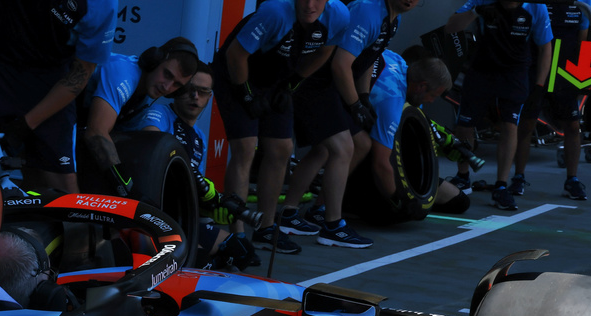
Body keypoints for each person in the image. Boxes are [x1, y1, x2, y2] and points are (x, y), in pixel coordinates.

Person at [212, 0, 352, 257]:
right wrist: (246, 96)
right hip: (237, 74)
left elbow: (325, 51)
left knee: (281, 149)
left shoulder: (338, 14)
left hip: (276, 77)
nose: (310, 5)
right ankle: (237, 235)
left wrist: (294, 83)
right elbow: (235, 55)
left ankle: (266, 227)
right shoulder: (275, 13)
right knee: (245, 148)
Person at [280, 0, 420, 245]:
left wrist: (364, 98)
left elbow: (367, 61)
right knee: (342, 148)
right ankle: (333, 226)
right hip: (316, 82)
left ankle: (303, 210)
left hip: (334, 86)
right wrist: (354, 104)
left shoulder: (394, 18)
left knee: (357, 144)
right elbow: (340, 64)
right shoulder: (368, 11)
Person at [0, 0, 117, 193]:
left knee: (63, 180)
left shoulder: (102, 6)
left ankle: (57, 218)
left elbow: (83, 70)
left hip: (49, 76)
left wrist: (25, 125)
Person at [130, 64, 260, 269]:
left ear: (209, 97)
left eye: (203, 92)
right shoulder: (160, 112)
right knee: (202, 264)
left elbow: (194, 190)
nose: (195, 96)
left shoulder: (200, 137)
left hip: (180, 218)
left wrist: (211, 209)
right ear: (178, 89)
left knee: (243, 252)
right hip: (152, 215)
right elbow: (151, 142)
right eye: (190, 89)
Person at [445, 0, 553, 210]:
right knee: (464, 125)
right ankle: (463, 176)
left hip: (515, 73)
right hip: (481, 70)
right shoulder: (482, 1)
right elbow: (451, 27)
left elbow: (546, 47)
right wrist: (476, 12)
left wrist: (539, 85)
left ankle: (501, 186)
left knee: (509, 125)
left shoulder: (535, 7)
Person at [350, 50, 470, 217]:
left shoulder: (398, 61)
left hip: (367, 122)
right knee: (393, 215)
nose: (432, 101)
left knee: (459, 201)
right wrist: (399, 201)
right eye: (433, 95)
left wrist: (444, 141)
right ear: (421, 86)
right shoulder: (391, 104)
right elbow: (380, 163)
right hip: (360, 145)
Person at [80, 38, 199, 196]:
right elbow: (96, 133)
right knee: (68, 190)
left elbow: (127, 145)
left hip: (69, 122)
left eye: (176, 85)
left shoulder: (144, 98)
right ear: (154, 60)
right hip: (47, 104)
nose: (167, 87)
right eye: (167, 74)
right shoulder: (124, 73)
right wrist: (127, 189)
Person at [511, 0, 591, 200]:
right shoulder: (536, 3)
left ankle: (572, 180)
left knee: (573, 126)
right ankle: (518, 177)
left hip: (565, 73)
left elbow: (584, 42)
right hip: (535, 68)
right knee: (527, 124)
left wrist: (581, 80)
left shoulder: (584, 3)